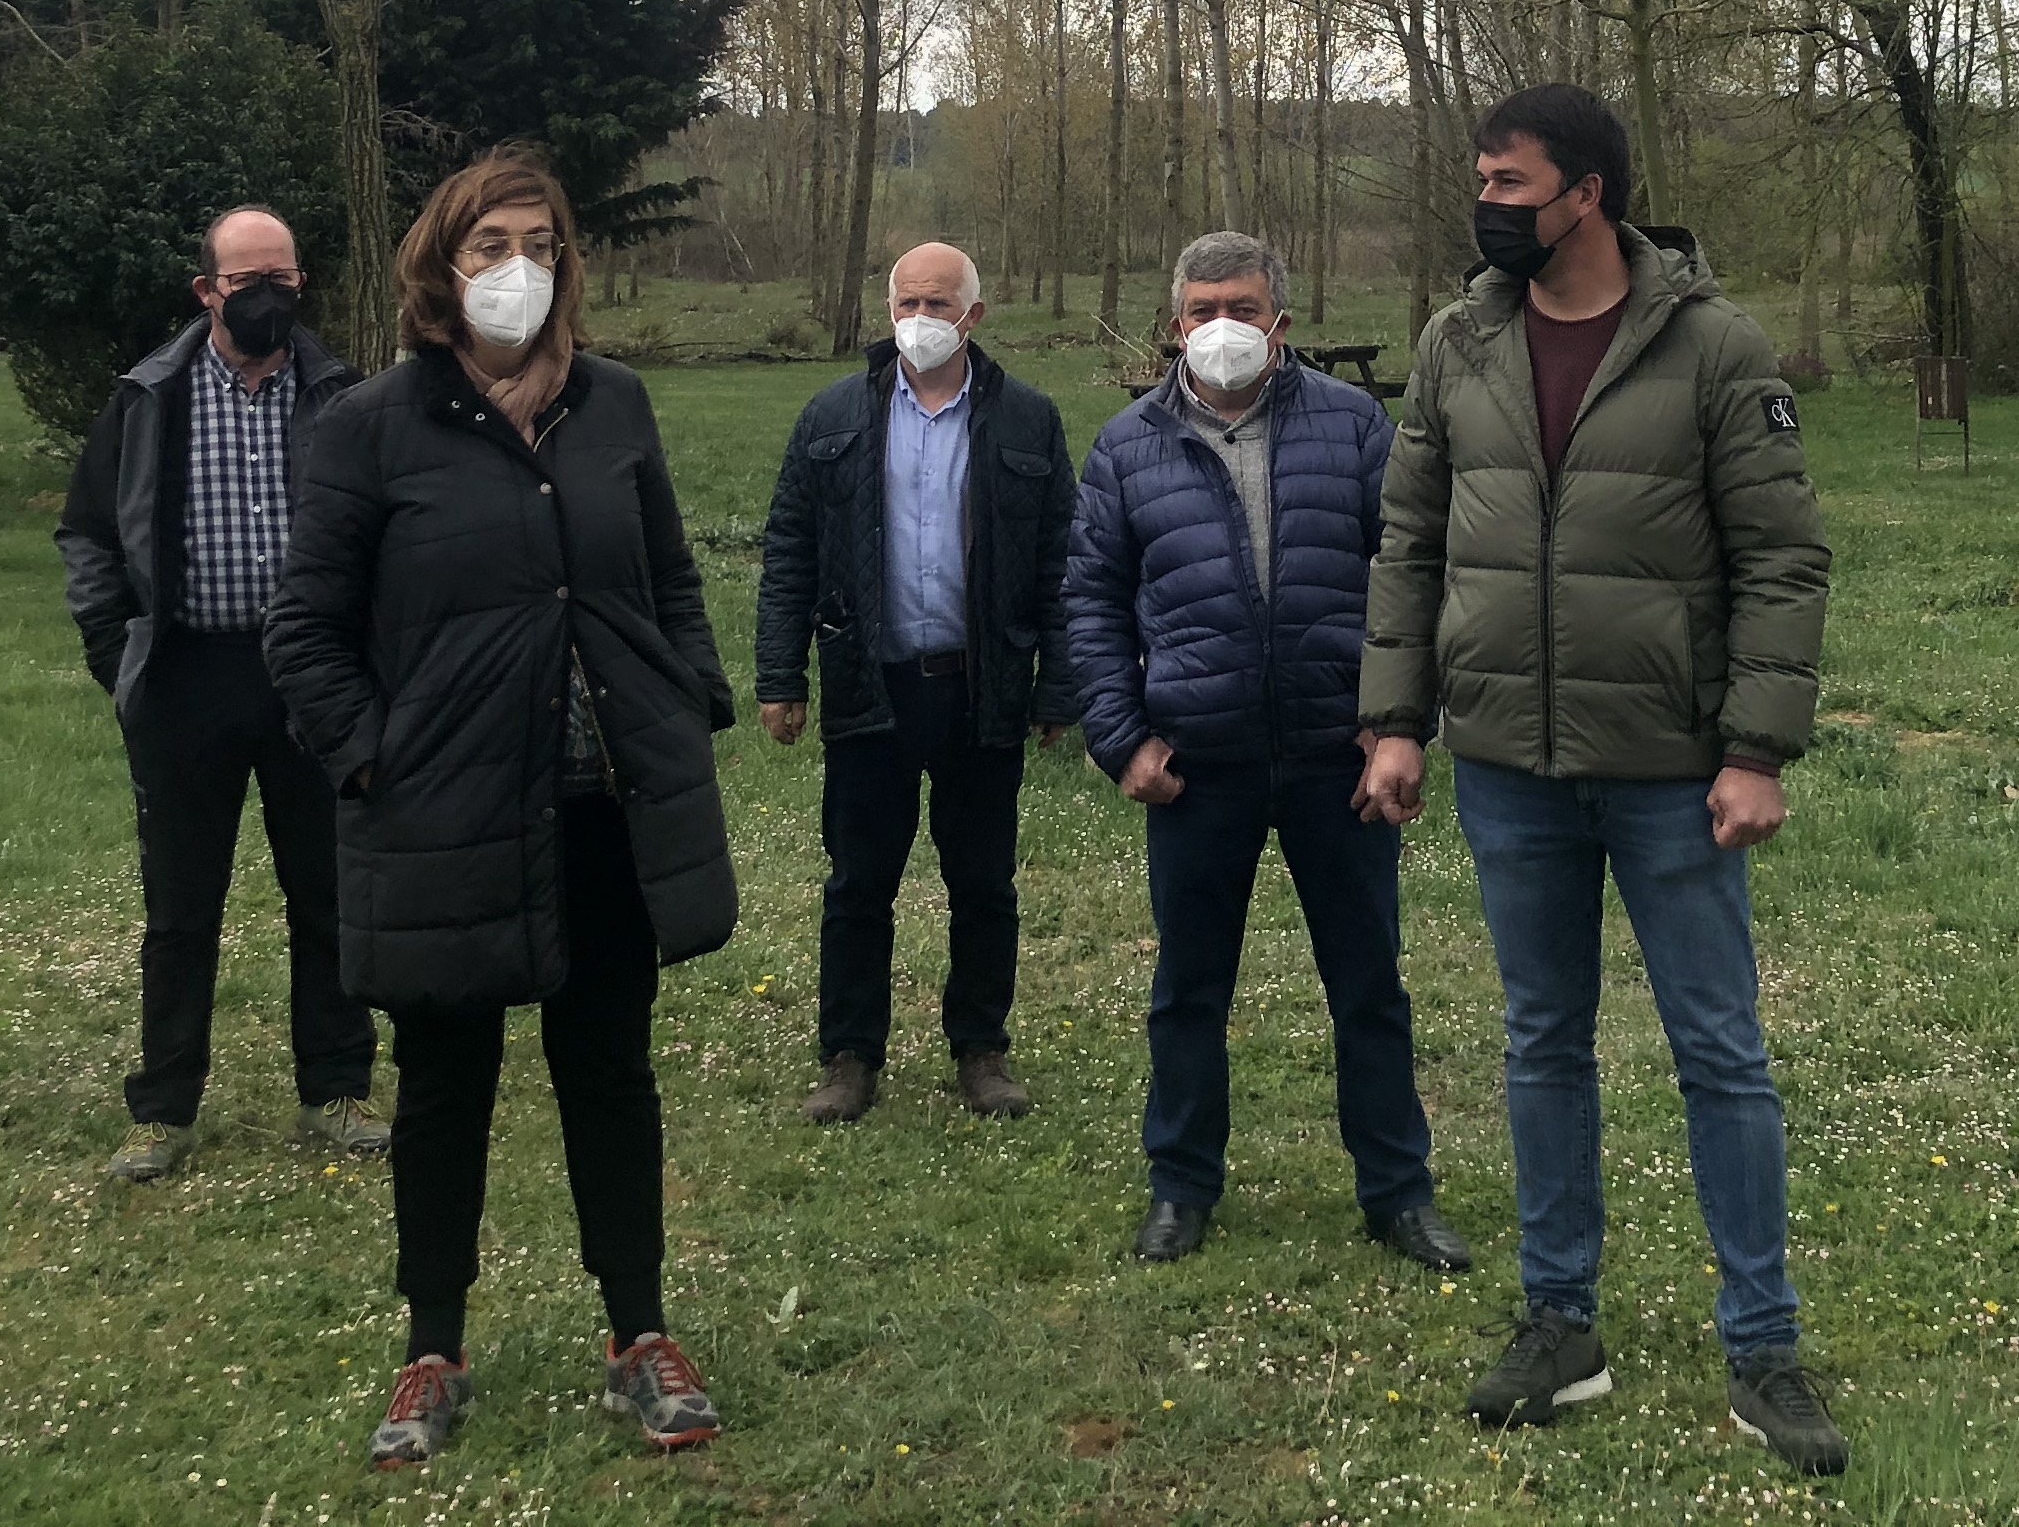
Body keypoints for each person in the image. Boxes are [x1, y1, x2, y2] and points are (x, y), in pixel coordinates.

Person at [1356, 84, 1849, 1480]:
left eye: (1508, 183)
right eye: (1480, 181)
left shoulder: (1713, 346)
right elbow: (1410, 544)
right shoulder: (1457, 343)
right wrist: (1394, 722)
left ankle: (1764, 1347)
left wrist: (1754, 749)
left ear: (1587, 193)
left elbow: (1783, 559)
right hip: (1509, 765)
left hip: (1671, 774)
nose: (1486, 204)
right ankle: (1559, 1324)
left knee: (1720, 1053)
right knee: (1540, 1044)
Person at [266, 151, 740, 1467]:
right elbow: (304, 632)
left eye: (540, 242)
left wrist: (688, 694)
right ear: (442, 263)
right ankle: (433, 1348)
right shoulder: (371, 426)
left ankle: (640, 1333)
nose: (516, 267)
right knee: (443, 1087)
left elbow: (667, 579)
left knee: (611, 1074)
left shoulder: (614, 405)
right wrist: (377, 761)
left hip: (601, 812)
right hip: (446, 820)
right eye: (490, 245)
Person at [1067, 229, 1469, 1275]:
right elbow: (1092, 604)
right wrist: (1121, 740)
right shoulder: (1126, 447)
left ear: (1280, 323)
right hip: (1198, 767)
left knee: (1369, 986)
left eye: (1241, 309)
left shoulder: (1355, 426)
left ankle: (1398, 1191)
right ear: (1175, 328)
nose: (1222, 328)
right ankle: (1180, 1185)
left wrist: (1399, 722)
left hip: (1342, 758)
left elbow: (1410, 576)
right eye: (1203, 312)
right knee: (1188, 991)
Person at [55, 203, 381, 1181]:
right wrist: (118, 657)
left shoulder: (341, 397)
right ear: (208, 291)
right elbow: (89, 533)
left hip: (309, 679)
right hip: (185, 677)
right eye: (249, 282)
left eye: (285, 278)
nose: (270, 296)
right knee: (180, 909)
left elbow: (385, 530)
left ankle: (338, 1087)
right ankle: (162, 1109)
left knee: (327, 892)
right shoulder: (147, 398)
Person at [752, 240, 1078, 1123]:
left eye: (940, 304)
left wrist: (1059, 688)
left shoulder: (1028, 420)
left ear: (973, 316)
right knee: (858, 883)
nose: (923, 319)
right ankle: (850, 1056)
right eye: (909, 303)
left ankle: (981, 1049)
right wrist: (781, 675)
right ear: (888, 309)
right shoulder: (832, 416)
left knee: (984, 883)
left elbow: (1060, 562)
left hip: (981, 691)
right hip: (871, 685)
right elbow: (789, 550)